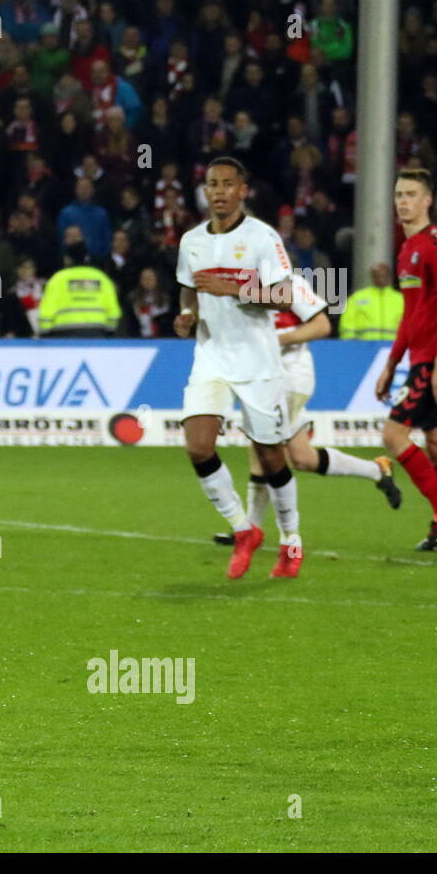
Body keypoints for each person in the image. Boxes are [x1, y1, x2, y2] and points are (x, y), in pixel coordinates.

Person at [174, 157, 319, 579]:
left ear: (242, 191)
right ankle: (243, 530)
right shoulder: (191, 242)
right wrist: (186, 315)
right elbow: (189, 292)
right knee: (198, 446)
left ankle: (291, 539)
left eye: (227, 184)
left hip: (257, 359)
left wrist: (232, 287)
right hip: (212, 354)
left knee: (272, 455)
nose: (218, 191)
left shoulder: (262, 237)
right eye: (211, 184)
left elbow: (282, 296)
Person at [214, 274, 403, 547]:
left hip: (289, 379)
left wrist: (278, 339)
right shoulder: (243, 285)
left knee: (261, 447)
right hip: (260, 379)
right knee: (302, 458)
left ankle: (250, 529)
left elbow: (321, 325)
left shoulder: (289, 283)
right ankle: (376, 470)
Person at [374, 169, 437, 551]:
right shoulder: (406, 249)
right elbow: (411, 315)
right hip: (423, 362)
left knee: (393, 435)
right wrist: (391, 363)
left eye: (411, 194)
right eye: (399, 193)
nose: (403, 201)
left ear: (428, 200)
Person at [340, 263, 404, 340]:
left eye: (383, 276)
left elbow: (408, 324)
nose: (380, 279)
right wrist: (350, 344)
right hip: (363, 346)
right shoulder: (357, 298)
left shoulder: (400, 299)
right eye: (377, 276)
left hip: (392, 346)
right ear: (372, 277)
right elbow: (347, 324)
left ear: (390, 277)